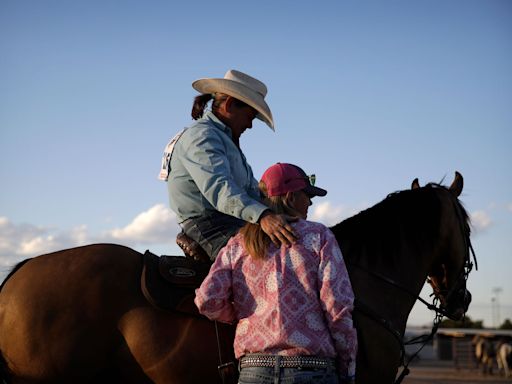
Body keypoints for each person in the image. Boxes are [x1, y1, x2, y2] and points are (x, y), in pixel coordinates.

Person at [195, 163, 357, 384]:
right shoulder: (319, 236)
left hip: (254, 371)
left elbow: (207, 300)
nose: (310, 201)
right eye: (306, 195)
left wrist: (246, 316)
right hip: (311, 370)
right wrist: (348, 365)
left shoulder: (238, 244)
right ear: (290, 198)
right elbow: (337, 306)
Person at [159, 70, 296, 260]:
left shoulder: (223, 139)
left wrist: (282, 209)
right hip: (209, 226)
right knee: (270, 261)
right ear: (230, 105)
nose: (250, 125)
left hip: (228, 222)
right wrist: (264, 216)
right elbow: (219, 188)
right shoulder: (203, 136)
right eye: (250, 116)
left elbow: (251, 191)